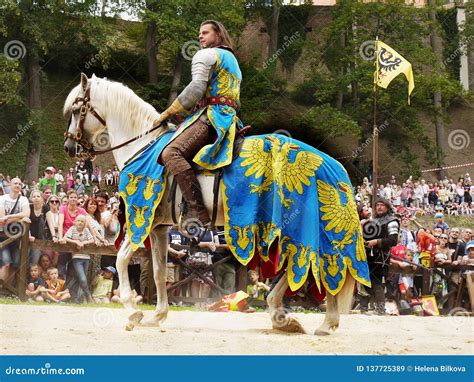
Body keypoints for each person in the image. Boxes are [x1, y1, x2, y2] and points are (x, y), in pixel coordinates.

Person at [157, 20, 242, 231]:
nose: (200, 37)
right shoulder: (232, 61)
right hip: (230, 118)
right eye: (199, 34)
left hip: (212, 117)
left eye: (205, 32)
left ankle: (198, 212)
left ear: (218, 34)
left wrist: (167, 113)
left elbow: (196, 89)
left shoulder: (206, 55)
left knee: (171, 153)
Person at [360, 198, 399, 315]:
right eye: (377, 205)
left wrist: (377, 241)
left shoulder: (392, 221)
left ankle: (380, 309)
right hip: (368, 257)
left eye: (382, 205)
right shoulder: (373, 221)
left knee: (377, 283)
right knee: (365, 282)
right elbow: (365, 238)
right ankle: (363, 309)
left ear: (387, 207)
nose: (379, 207)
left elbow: (393, 240)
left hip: (381, 258)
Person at [0, 177, 30, 283]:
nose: (18, 185)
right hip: (3, 236)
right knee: (6, 262)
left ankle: (9, 291)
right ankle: (2, 289)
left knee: (15, 263)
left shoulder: (23, 199)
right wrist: (19, 218)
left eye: (19, 184)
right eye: (15, 183)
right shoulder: (3, 198)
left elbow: (27, 214)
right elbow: (2, 218)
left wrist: (8, 217)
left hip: (17, 236)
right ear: (10, 185)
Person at [61, 215, 95, 303]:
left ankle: (80, 299)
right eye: (78, 221)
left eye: (82, 221)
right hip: (77, 258)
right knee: (82, 278)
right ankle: (88, 296)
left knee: (82, 279)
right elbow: (65, 238)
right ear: (75, 222)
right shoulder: (72, 229)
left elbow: (92, 240)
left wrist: (83, 243)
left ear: (85, 224)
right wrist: (76, 241)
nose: (80, 222)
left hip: (86, 258)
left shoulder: (86, 230)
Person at [28, 190, 46, 265]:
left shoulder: (45, 208)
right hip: (27, 238)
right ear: (31, 198)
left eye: (38, 196)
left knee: (34, 262)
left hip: (39, 240)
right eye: (34, 196)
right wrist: (28, 235)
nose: (36, 198)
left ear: (42, 198)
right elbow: (26, 223)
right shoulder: (29, 207)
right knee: (23, 260)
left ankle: (30, 276)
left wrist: (54, 236)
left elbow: (50, 222)